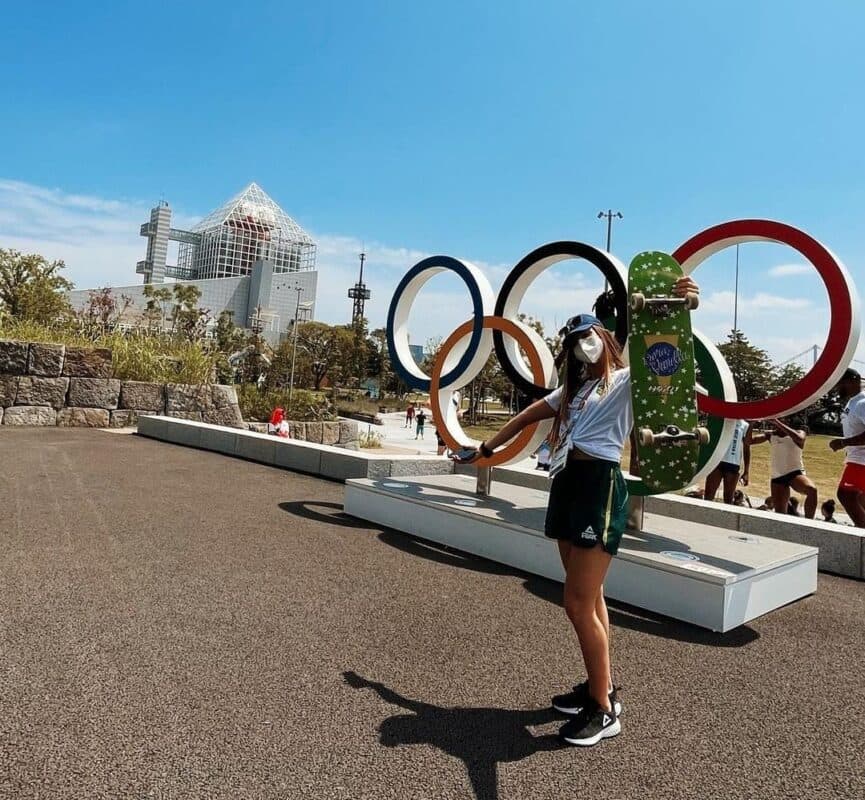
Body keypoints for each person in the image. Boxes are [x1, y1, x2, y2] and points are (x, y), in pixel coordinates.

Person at [454, 274, 699, 747]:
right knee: (591, 597)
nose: (581, 348)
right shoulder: (572, 392)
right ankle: (599, 687)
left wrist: (683, 307)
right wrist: (482, 448)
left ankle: (604, 711)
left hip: (598, 487)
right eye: (573, 342)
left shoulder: (628, 380)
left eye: (588, 337)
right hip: (566, 485)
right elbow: (526, 417)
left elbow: (666, 354)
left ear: (605, 339)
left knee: (575, 602)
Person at [750, 418, 818, 519]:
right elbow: (749, 441)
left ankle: (809, 524)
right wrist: (750, 425)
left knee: (812, 490)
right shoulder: (771, 435)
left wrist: (778, 422)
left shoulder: (799, 432)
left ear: (787, 421)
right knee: (780, 515)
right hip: (777, 477)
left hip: (795, 473)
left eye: (780, 420)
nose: (774, 424)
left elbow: (800, 438)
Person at [829, 367, 865, 527]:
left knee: (845, 494)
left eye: (841, 383)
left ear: (854, 381)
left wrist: (844, 442)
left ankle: (861, 536)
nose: (838, 388)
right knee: (859, 498)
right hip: (856, 459)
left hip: (861, 460)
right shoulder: (853, 402)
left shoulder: (862, 403)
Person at [703, 419, 751, 504]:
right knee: (708, 495)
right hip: (717, 461)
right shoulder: (722, 420)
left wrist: (746, 471)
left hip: (733, 464)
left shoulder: (745, 425)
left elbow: (746, 448)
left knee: (728, 498)